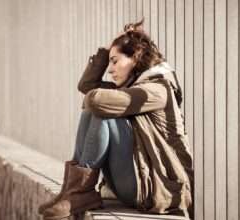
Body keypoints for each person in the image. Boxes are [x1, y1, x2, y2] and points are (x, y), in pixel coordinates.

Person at [38, 19, 194, 220]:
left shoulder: (157, 90)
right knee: (97, 108)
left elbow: (94, 98)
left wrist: (94, 98)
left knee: (102, 111)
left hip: (157, 188)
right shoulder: (131, 87)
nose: (110, 70)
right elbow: (87, 85)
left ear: (136, 58)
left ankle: (79, 192)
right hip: (136, 181)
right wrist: (107, 50)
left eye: (115, 61)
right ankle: (73, 192)